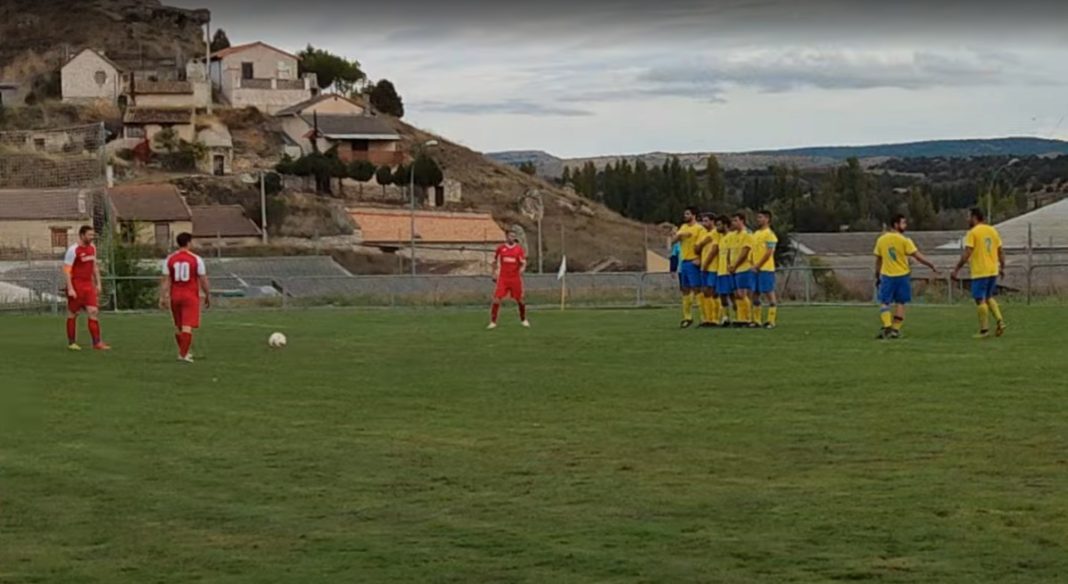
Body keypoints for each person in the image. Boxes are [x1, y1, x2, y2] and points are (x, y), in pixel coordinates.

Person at [873, 214, 939, 339]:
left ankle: (887, 326)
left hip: (887, 275)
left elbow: (878, 259)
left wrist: (877, 274)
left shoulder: (881, 240)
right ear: (896, 224)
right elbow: (917, 256)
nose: (905, 225)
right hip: (902, 276)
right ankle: (895, 330)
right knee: (901, 303)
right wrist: (931, 265)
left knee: (884, 302)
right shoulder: (904, 240)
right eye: (903, 223)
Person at [952, 208, 1006, 338]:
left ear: (974, 217)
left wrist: (956, 269)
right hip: (993, 270)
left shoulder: (973, 232)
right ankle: (1000, 320)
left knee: (979, 299)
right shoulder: (993, 230)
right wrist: (1002, 267)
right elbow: (1000, 251)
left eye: (969, 217)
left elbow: (967, 253)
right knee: (988, 297)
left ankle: (984, 330)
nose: (967, 219)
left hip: (980, 271)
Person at [161, 233, 210, 363]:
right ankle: (182, 355)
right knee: (187, 325)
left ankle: (185, 352)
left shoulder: (170, 259)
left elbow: (166, 280)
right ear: (189, 243)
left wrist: (163, 296)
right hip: (190, 295)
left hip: (175, 295)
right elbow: (203, 279)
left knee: (179, 326)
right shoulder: (196, 259)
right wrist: (207, 294)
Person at [63, 225, 110, 351]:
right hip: (76, 284)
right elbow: (67, 270)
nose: (92, 237)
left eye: (93, 235)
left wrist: (99, 283)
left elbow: (94, 266)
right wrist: (70, 288)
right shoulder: (73, 250)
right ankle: (72, 342)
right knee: (73, 313)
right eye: (89, 235)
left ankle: (97, 343)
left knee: (93, 311)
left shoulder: (92, 248)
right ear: (82, 235)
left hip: (89, 285)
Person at [671, 206, 706, 328]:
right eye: (685, 214)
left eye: (687, 214)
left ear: (694, 215)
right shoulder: (683, 227)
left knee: (697, 288)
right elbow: (673, 241)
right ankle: (687, 317)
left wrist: (700, 258)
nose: (685, 216)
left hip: (693, 261)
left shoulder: (699, 229)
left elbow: (702, 245)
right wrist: (680, 235)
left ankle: (703, 317)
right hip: (684, 262)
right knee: (685, 289)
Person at [488, 229, 529, 330]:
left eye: (514, 236)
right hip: (503, 278)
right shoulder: (501, 249)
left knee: (520, 300)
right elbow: (494, 262)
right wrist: (494, 273)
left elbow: (523, 262)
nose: (512, 238)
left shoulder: (518, 249)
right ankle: (493, 322)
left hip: (515, 278)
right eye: (510, 236)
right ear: (506, 237)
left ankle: (523, 319)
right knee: (496, 299)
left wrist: (522, 269)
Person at [751, 210, 780, 329]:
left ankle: (771, 320)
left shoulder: (769, 234)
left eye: (761, 217)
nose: (758, 220)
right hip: (754, 268)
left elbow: (769, 252)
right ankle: (756, 320)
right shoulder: (756, 233)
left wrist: (758, 265)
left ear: (767, 219)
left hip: (766, 268)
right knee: (755, 293)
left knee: (769, 292)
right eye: (758, 217)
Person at [727, 212, 756, 327]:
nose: (733, 223)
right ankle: (740, 317)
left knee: (742, 293)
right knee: (736, 294)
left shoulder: (747, 235)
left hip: (743, 268)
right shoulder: (733, 235)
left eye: (735, 220)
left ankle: (747, 318)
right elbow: (729, 251)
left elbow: (745, 251)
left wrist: (735, 265)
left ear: (742, 221)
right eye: (732, 221)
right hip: (733, 268)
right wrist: (729, 264)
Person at [695, 213, 721, 327]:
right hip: (704, 267)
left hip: (713, 267)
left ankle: (715, 318)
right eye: (702, 221)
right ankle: (707, 318)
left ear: (712, 221)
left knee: (713, 292)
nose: (703, 223)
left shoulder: (716, 233)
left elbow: (714, 251)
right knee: (705, 292)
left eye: (706, 221)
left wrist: (706, 264)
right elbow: (697, 248)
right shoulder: (703, 234)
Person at [712, 216, 735, 325]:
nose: (717, 227)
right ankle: (726, 317)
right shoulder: (721, 238)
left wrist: (731, 266)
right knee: (722, 295)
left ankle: (739, 316)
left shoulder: (731, 236)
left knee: (732, 295)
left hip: (728, 271)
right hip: (720, 271)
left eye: (719, 225)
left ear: (725, 225)